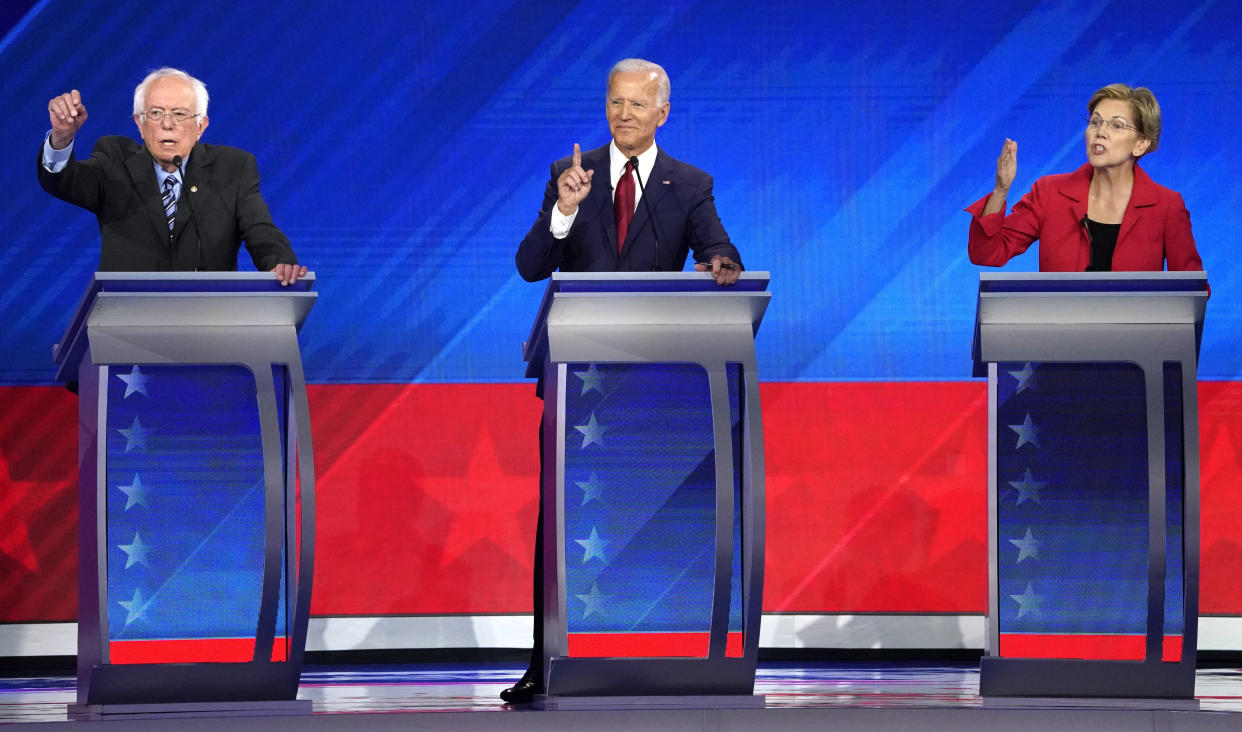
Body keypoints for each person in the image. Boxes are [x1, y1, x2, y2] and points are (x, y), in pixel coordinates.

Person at [504, 58, 744, 705]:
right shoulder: (569, 176)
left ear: (662, 112)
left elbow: (721, 250)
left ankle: (671, 655)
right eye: (615, 103)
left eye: (638, 105)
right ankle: (542, 661)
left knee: (665, 516)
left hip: (656, 388)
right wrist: (561, 211)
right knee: (558, 522)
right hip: (577, 384)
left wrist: (719, 264)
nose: (624, 115)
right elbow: (530, 267)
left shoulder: (688, 184)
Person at [39, 67, 306, 284]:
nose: (168, 124)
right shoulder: (115, 159)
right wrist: (62, 136)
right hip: (126, 325)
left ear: (201, 126)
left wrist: (279, 263)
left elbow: (261, 230)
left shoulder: (232, 168)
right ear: (139, 124)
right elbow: (64, 180)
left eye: (180, 114)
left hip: (210, 324)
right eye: (155, 113)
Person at [966, 83, 1204, 273]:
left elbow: (1191, 290)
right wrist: (1001, 190)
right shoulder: (1049, 193)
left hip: (1135, 334)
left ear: (1140, 144)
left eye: (1117, 126)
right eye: (1096, 122)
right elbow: (987, 253)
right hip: (1060, 332)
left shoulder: (1166, 206)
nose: (1100, 132)